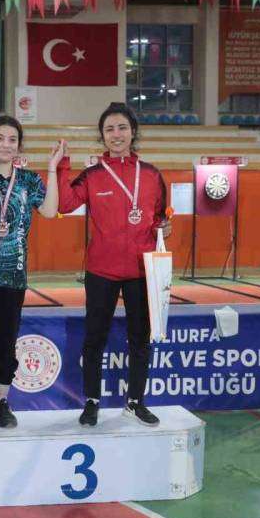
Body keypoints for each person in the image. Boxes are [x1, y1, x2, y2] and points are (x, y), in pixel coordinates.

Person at [56, 102, 170, 427]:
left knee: (140, 339)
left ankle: (136, 402)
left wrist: (164, 227)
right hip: (101, 271)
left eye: (121, 127)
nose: (116, 134)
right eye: (109, 129)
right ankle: (92, 401)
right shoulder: (93, 175)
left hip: (141, 271)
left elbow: (160, 216)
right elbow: (65, 203)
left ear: (133, 132)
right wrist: (62, 166)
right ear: (102, 136)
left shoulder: (151, 174)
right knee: (94, 338)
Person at [0, 116, 65, 429]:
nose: (6, 144)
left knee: (5, 341)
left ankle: (2, 402)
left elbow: (49, 210)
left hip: (12, 275)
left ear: (19, 146)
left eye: (12, 139)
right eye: (0, 138)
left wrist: (53, 168)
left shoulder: (28, 180)